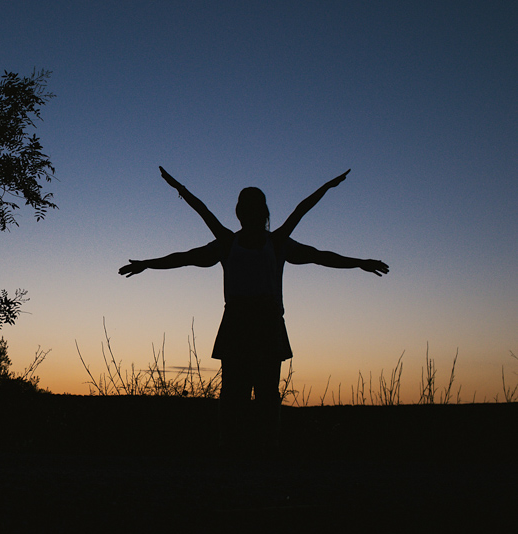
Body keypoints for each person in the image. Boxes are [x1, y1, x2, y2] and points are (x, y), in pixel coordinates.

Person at [119, 167, 388, 451]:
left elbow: (315, 242)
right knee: (235, 395)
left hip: (266, 325)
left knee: (266, 395)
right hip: (239, 324)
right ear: (240, 212)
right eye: (246, 207)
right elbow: (189, 245)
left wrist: (358, 259)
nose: (250, 213)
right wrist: (148, 261)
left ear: (261, 212)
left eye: (255, 207)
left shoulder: (276, 243)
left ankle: (265, 451)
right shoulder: (230, 242)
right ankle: (233, 450)